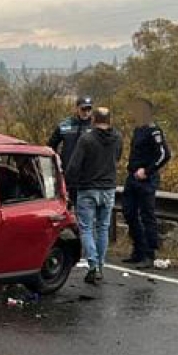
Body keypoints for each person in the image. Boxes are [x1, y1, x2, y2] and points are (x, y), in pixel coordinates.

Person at [65, 107, 122, 285]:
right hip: (108, 188)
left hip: (88, 188)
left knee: (86, 228)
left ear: (94, 120)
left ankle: (93, 265)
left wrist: (68, 185)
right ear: (110, 120)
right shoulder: (117, 137)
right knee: (103, 227)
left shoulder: (86, 139)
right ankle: (100, 265)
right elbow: (117, 158)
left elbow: (74, 166)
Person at [122, 98, 172, 269]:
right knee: (128, 212)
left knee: (147, 216)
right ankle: (138, 250)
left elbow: (164, 154)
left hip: (146, 180)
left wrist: (147, 170)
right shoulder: (138, 129)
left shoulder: (154, 130)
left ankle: (149, 254)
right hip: (132, 178)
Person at [48, 96, 94, 203]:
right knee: (66, 204)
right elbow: (50, 146)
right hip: (67, 174)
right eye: (83, 109)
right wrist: (56, 160)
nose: (86, 112)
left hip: (87, 176)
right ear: (77, 108)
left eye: (89, 109)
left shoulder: (95, 127)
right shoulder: (65, 125)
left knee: (83, 208)